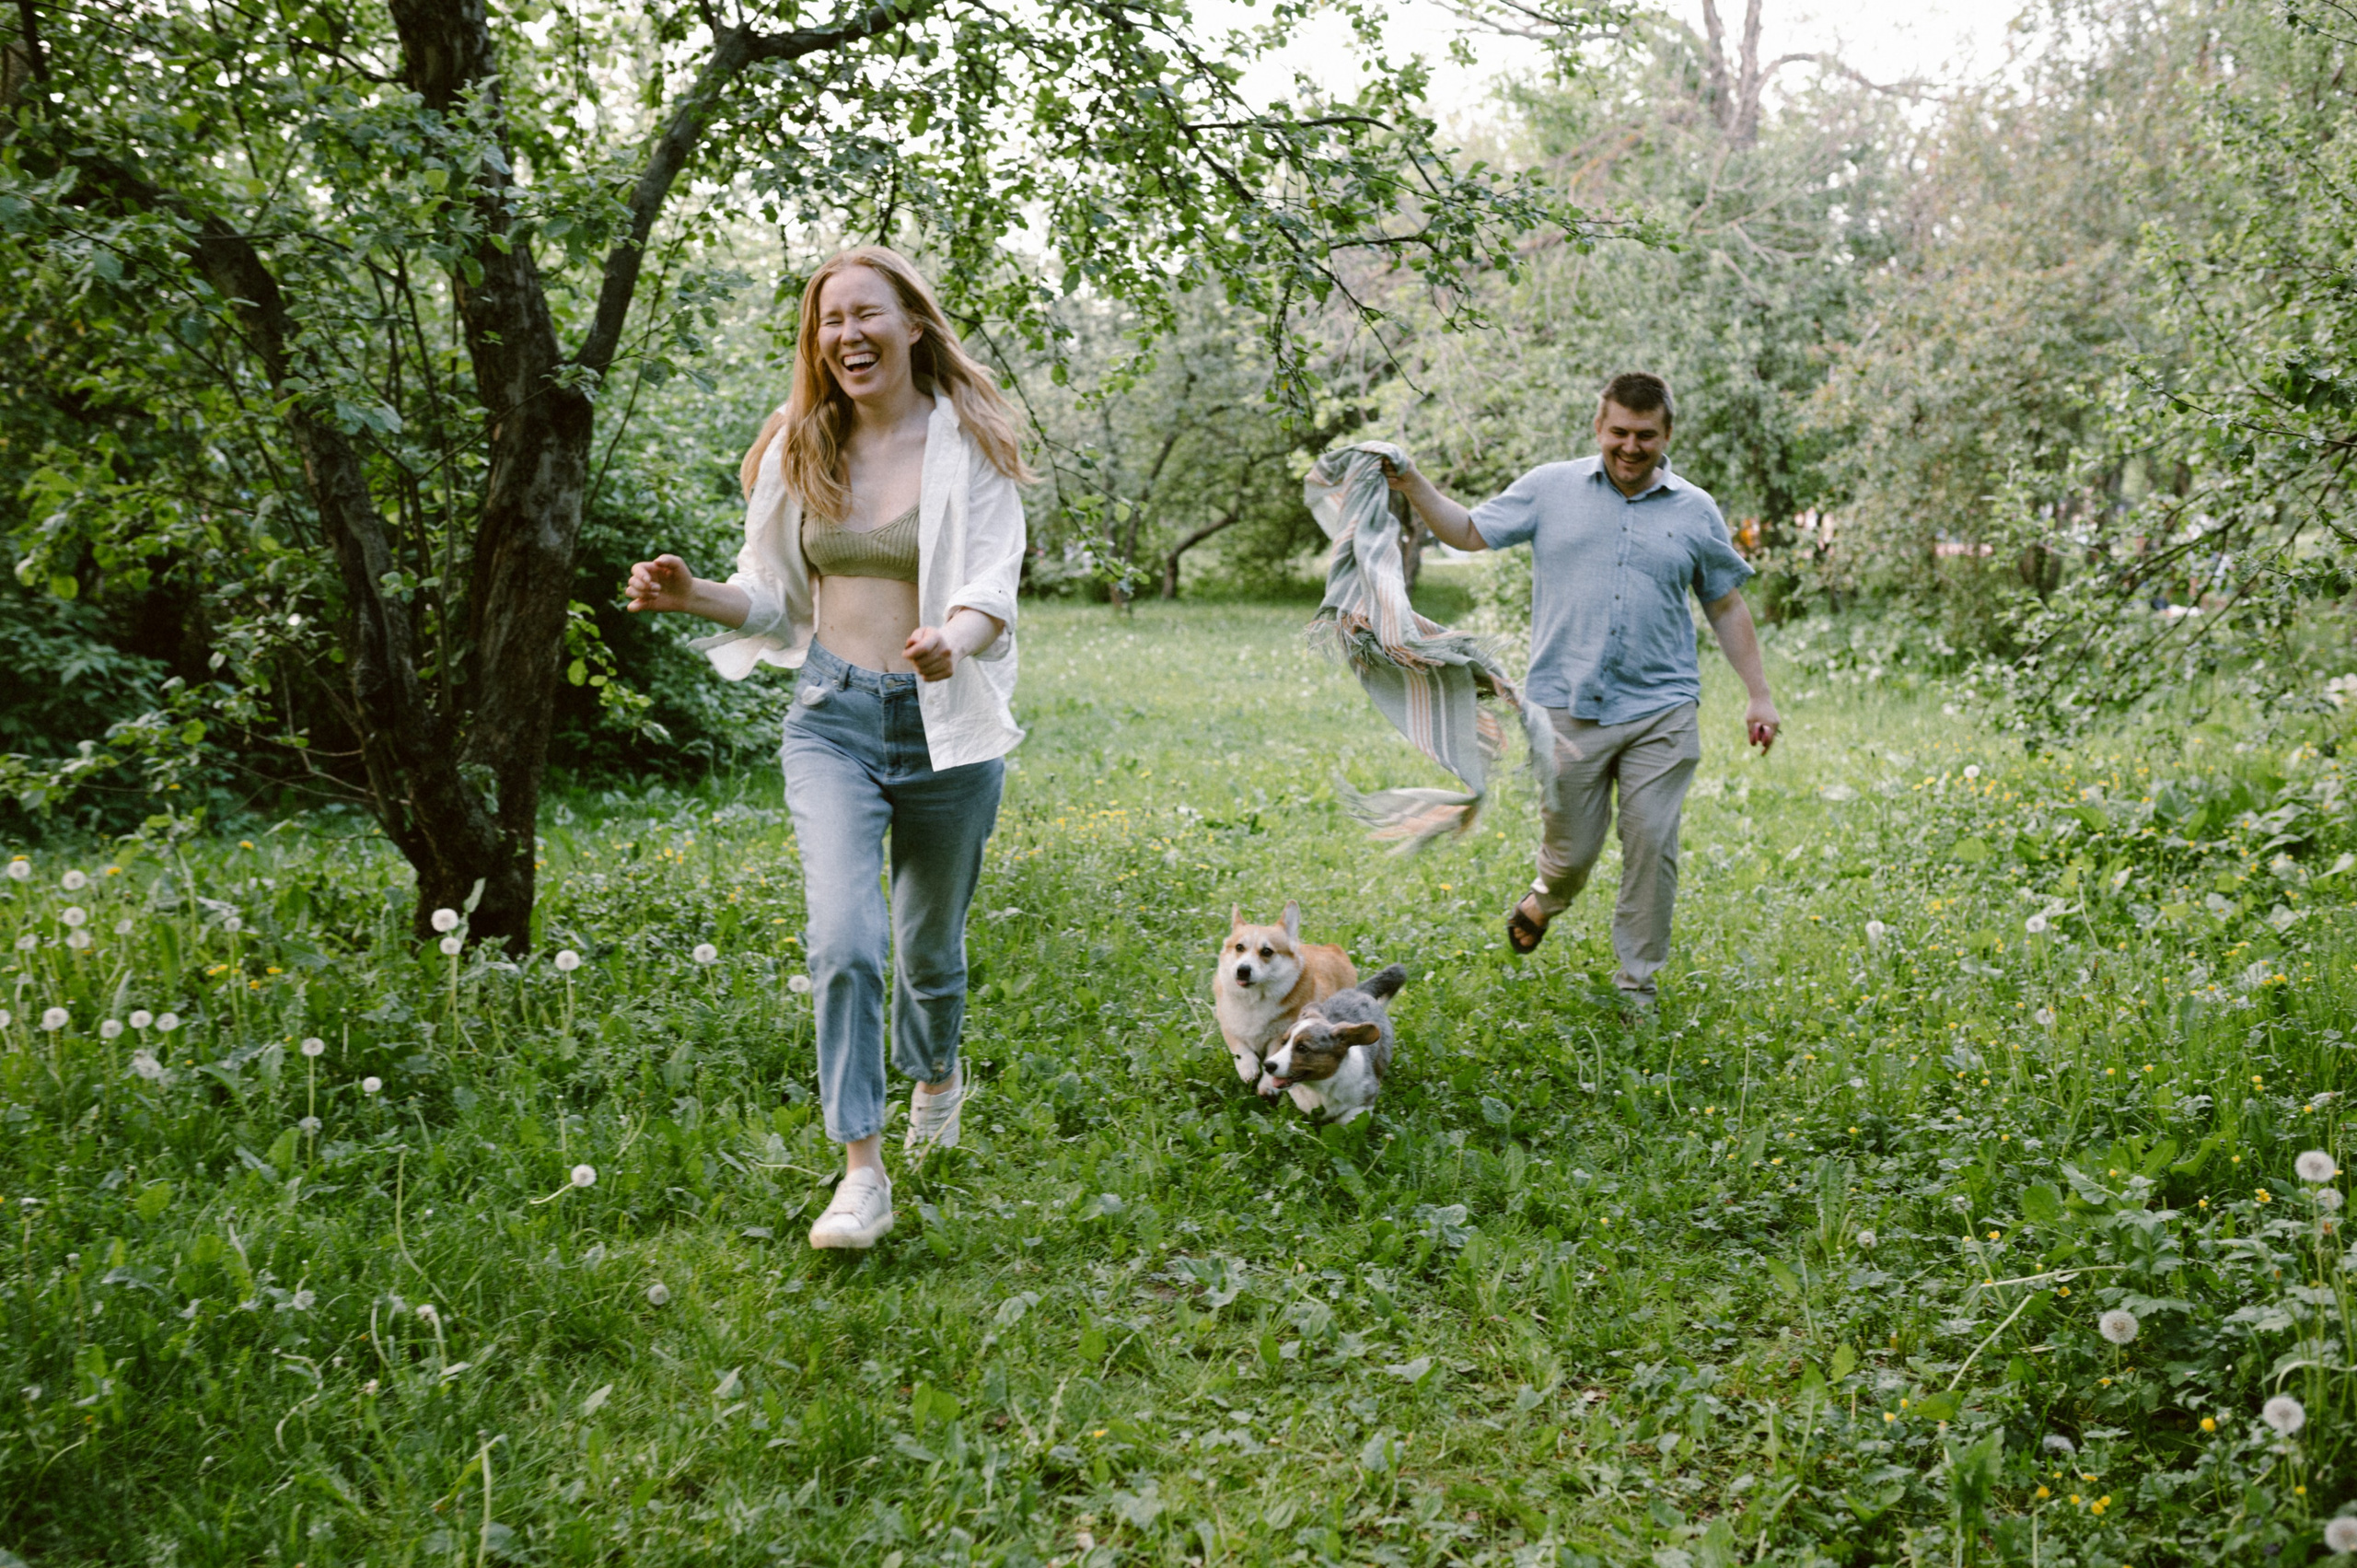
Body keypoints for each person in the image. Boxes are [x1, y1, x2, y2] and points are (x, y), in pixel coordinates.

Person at [625, 247, 1030, 1249]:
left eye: (866, 313)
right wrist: (692, 595)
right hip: (831, 718)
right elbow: (771, 597)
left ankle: (935, 1073)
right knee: (844, 941)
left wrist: (954, 637)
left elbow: (993, 580)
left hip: (947, 727)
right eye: (828, 319)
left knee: (928, 948)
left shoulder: (968, 439)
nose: (846, 333)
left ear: (913, 325)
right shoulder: (799, 443)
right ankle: (861, 1171)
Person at [1382, 371, 1779, 1015]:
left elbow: (1725, 604)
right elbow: (1469, 531)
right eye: (1619, 432)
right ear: (1598, 427)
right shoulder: (1549, 488)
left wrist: (1758, 694)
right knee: (1571, 852)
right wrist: (1411, 481)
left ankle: (1637, 986)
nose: (1630, 446)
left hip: (1662, 707)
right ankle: (1548, 895)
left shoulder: (1695, 509)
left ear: (1667, 435)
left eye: (1645, 435)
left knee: (1651, 842)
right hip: (1565, 707)